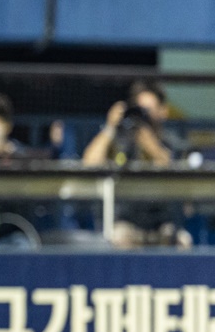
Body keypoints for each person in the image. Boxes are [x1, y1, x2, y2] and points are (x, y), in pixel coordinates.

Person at [81, 80, 191, 247]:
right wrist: (110, 127)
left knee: (183, 242)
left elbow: (174, 174)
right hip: (127, 222)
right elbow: (89, 163)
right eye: (140, 109)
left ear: (163, 111)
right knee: (119, 238)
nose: (144, 116)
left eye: (148, 110)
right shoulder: (121, 142)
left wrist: (151, 146)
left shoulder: (173, 143)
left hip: (163, 223)